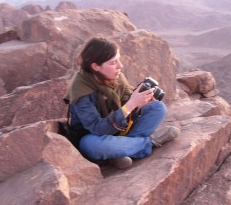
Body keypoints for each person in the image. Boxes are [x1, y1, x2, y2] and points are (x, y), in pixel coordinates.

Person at [64, 37, 179, 169]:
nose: (120, 66)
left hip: (117, 131)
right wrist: (131, 104)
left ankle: (119, 152)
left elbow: (128, 99)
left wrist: (139, 103)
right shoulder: (80, 90)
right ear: (95, 66)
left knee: (158, 108)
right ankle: (148, 143)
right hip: (93, 137)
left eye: (119, 59)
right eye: (113, 62)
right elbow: (98, 128)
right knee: (91, 145)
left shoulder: (117, 78)